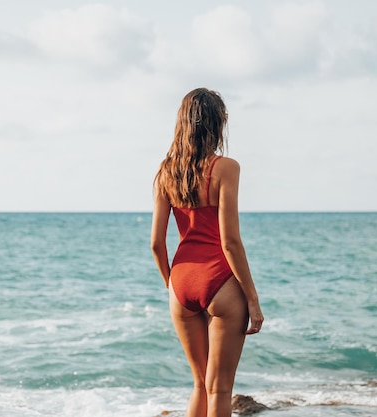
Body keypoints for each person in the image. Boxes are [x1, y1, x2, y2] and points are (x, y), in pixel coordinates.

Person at [151, 87, 264, 417]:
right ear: (219, 123)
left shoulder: (166, 172)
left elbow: (157, 243)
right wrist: (253, 300)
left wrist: (170, 285)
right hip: (220, 282)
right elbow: (230, 242)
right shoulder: (226, 168)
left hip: (181, 281)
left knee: (200, 384)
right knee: (220, 388)